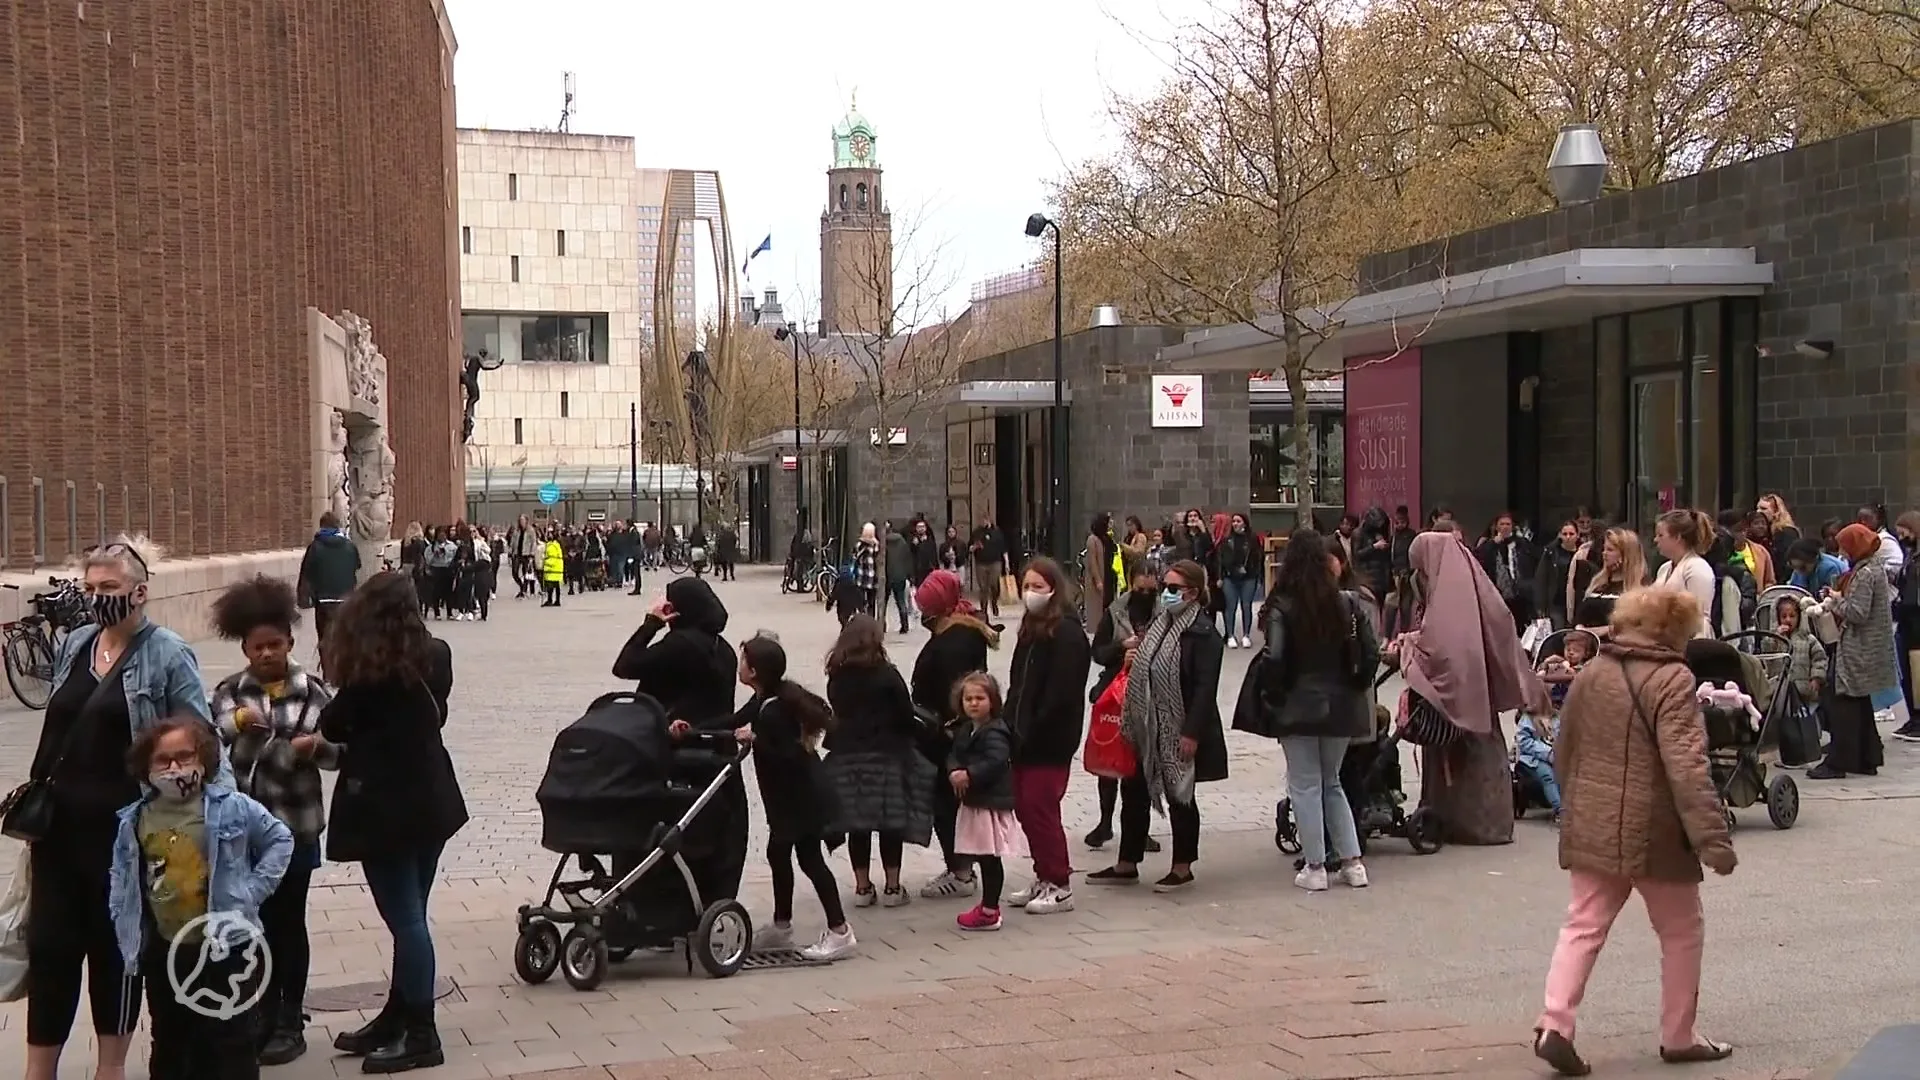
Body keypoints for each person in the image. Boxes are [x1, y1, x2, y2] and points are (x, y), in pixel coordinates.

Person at [20, 537, 216, 1080]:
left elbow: (201, 739)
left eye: (109, 588)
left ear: (139, 592)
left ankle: (111, 1069)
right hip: (57, 830)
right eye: (91, 588)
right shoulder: (77, 643)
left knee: (114, 954)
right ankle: (40, 1071)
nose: (98, 598)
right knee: (52, 950)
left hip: (123, 835)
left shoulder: (167, 653)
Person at [1533, 588, 1736, 1077]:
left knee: (1582, 923)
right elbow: (1687, 766)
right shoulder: (1672, 678)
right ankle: (1679, 1034)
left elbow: (1564, 749)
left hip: (1594, 823)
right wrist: (1713, 840)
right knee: (1681, 930)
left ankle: (1555, 1023)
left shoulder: (1594, 672)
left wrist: (1574, 801)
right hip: (1656, 830)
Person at [320, 573, 465, 1072]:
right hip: (432, 795)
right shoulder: (437, 653)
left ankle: (422, 1034)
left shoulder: (370, 669)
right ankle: (398, 1015)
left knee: (405, 920)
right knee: (413, 916)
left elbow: (333, 723)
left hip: (384, 805)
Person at [111, 718, 292, 1080]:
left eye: (184, 756)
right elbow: (122, 878)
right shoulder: (135, 820)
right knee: (171, 1038)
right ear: (146, 768)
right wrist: (125, 926)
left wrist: (252, 891)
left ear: (204, 760)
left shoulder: (233, 807)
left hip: (226, 945)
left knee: (230, 1039)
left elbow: (280, 839)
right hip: (165, 950)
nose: (175, 767)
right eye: (163, 760)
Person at [207, 575, 336, 1066]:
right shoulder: (229, 694)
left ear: (290, 641)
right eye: (257, 646)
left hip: (296, 827)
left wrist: (315, 747)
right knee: (250, 924)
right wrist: (235, 724)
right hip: (244, 834)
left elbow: (336, 749)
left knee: (288, 922)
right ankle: (256, 1009)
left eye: (275, 644)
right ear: (243, 647)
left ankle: (289, 1014)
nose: (266, 654)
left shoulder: (313, 692)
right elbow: (209, 735)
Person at [1231, 533, 1376, 890]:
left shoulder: (1284, 605)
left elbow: (1276, 658)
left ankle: (1315, 866)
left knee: (1306, 785)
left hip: (1297, 705)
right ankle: (1352, 862)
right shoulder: (1347, 602)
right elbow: (1369, 653)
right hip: (1342, 705)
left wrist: (1273, 694)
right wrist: (1354, 686)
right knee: (1333, 782)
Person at [1394, 531, 1547, 846]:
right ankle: (1477, 823)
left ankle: (1472, 824)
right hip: (1480, 690)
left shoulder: (1450, 592)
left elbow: (1444, 645)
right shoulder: (1469, 583)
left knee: (1469, 753)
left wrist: (1409, 644)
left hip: (1465, 692)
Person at [612, 577, 748, 907]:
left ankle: (653, 901)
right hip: (715, 751)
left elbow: (625, 665)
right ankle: (706, 899)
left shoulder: (680, 645)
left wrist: (650, 624)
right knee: (714, 830)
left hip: (678, 752)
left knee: (660, 825)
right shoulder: (724, 649)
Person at [1098, 558, 1225, 891]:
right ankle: (1127, 862)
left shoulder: (1203, 633)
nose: (1164, 594)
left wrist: (1191, 733)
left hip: (1179, 727)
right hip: (1146, 724)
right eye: (1164, 586)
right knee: (1134, 790)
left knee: (1180, 794)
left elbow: (1204, 689)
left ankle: (1182, 866)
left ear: (1193, 593)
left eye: (1172, 588)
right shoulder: (1160, 623)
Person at [729, 634, 855, 961]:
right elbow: (733, 721)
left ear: (754, 671)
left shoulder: (773, 710)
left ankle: (840, 931)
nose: (739, 666)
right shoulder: (765, 698)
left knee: (810, 860)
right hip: (788, 800)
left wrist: (756, 739)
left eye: (743, 661)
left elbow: (790, 755)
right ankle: (781, 926)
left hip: (802, 799)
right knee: (778, 853)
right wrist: (697, 730)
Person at [823, 614, 934, 908]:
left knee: (858, 824)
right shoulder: (886, 674)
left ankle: (862, 888)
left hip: (847, 756)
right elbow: (903, 712)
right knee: (889, 823)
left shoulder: (837, 674)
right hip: (887, 755)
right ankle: (893, 888)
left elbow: (837, 709)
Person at [1001, 556, 1090, 913]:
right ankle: (1043, 874)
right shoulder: (1031, 627)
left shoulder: (1066, 632)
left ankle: (1059, 882)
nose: (1030, 593)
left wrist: (1034, 727)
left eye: (1038, 586)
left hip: (1049, 739)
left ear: (1054, 588)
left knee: (1041, 808)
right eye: (1026, 586)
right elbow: (1018, 683)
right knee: (1025, 807)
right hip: (1022, 734)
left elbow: (1061, 694)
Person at [909, 569, 1001, 899]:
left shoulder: (954, 641)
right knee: (949, 803)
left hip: (947, 736)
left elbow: (955, 691)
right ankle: (961, 867)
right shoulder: (960, 629)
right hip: (948, 732)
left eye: (925, 606)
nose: (921, 613)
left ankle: (961, 872)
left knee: (946, 804)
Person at [1084, 561, 1162, 855]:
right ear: (1130, 583)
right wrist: (1122, 649)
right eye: (1140, 587)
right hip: (1116, 694)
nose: (1146, 592)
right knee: (1110, 760)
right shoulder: (1115, 612)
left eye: (1150, 588)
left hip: (1152, 692)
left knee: (1142, 765)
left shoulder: (1165, 612)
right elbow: (1098, 653)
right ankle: (1105, 822)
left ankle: (1139, 829)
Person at [1807, 524, 1894, 780]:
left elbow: (1858, 612)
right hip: (1865, 646)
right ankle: (1867, 757)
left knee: (1842, 702)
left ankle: (1839, 761)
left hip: (1859, 648)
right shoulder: (1870, 569)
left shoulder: (1866, 574)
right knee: (1858, 701)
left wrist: (1836, 600)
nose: (1842, 550)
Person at [948, 673, 1022, 932]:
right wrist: (954, 769)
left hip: (989, 803)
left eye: (980, 698)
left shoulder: (995, 731)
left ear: (993, 701)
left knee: (989, 857)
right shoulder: (966, 729)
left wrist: (969, 774)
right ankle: (987, 907)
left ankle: (990, 910)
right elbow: (955, 754)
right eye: (968, 698)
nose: (973, 703)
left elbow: (996, 761)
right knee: (982, 855)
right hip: (975, 801)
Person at [297, 511, 360, 643]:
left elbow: (307, 573)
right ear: (338, 526)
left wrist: (303, 598)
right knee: (344, 637)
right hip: (346, 599)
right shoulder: (350, 546)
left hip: (324, 600)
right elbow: (357, 566)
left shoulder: (315, 547)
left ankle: (327, 661)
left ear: (321, 527)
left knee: (324, 638)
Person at [1652, 510, 1717, 638]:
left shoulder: (1697, 567)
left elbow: (1698, 614)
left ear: (1677, 537)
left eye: (1660, 535)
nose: (1655, 540)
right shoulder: (1664, 568)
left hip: (1692, 637)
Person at [1476, 511, 1537, 633]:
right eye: (1502, 524)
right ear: (1496, 526)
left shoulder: (1522, 544)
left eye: (1508, 524)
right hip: (1497, 591)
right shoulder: (1488, 544)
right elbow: (1478, 559)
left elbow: (1533, 563)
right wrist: (1493, 543)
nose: (1505, 527)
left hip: (1520, 592)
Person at [1216, 512, 1263, 648]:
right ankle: (1230, 635)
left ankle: (1246, 635)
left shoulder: (1252, 539)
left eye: (1238, 521)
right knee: (1230, 606)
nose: (1235, 524)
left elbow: (1258, 557)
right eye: (1234, 521)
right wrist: (1220, 577)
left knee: (1246, 606)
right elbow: (1220, 560)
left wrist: (1258, 575)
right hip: (1230, 577)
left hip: (1248, 577)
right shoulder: (1226, 540)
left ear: (1245, 523)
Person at [969, 516, 1008, 617]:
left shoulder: (997, 532)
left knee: (994, 585)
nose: (983, 522)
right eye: (981, 520)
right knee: (983, 588)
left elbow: (1003, 548)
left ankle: (994, 602)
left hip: (995, 562)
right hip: (981, 563)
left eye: (985, 520)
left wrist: (1006, 562)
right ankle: (983, 610)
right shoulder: (976, 532)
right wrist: (974, 547)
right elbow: (970, 548)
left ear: (989, 520)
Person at [1756, 493, 1803, 575]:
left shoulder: (1787, 532)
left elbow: (1786, 562)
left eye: (1763, 509)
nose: (1758, 511)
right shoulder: (1767, 533)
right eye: (1757, 508)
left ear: (1776, 512)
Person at [883, 522, 913, 633]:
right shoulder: (902, 541)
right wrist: (908, 574)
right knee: (901, 601)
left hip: (886, 575)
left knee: (883, 602)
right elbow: (907, 558)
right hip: (900, 575)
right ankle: (905, 625)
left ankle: (882, 625)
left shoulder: (882, 542)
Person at [853, 522, 882, 618]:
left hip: (863, 576)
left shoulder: (859, 545)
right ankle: (869, 619)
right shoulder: (872, 545)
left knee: (866, 601)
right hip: (870, 576)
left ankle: (865, 618)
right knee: (870, 602)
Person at [539, 529, 565, 607]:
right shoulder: (553, 544)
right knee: (556, 585)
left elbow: (552, 557)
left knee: (550, 585)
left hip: (553, 568)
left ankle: (550, 600)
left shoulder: (553, 545)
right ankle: (557, 600)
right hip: (556, 568)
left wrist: (545, 562)